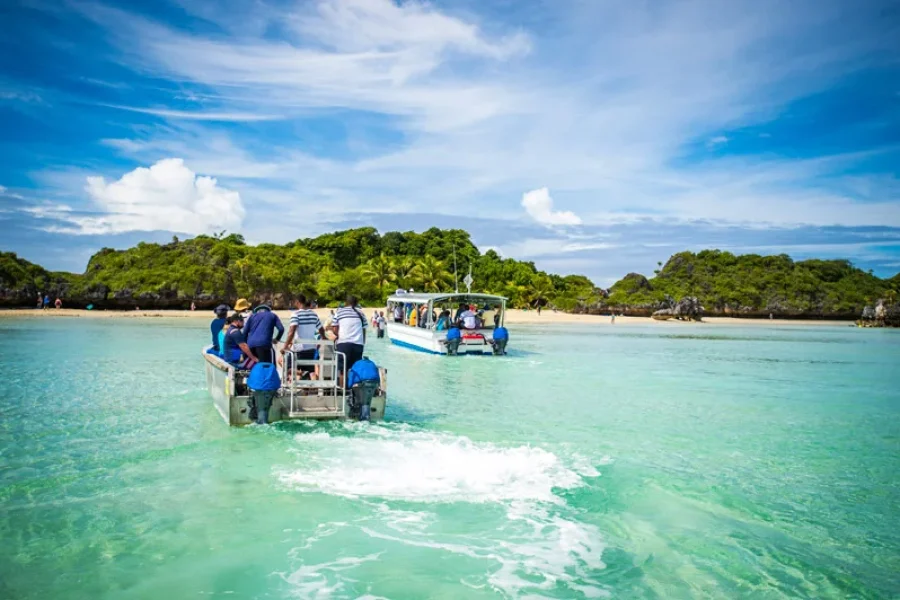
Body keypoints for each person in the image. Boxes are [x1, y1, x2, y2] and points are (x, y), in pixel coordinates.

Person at [281, 294, 326, 380]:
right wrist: (324, 338)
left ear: (297, 302)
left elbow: (291, 331)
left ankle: (301, 373)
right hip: (311, 348)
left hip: (299, 349)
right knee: (311, 371)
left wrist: (285, 346)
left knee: (287, 366)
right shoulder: (314, 314)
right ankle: (314, 389)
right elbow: (321, 329)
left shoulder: (295, 314)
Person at [331, 294, 367, 380]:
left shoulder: (339, 312)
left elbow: (334, 328)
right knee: (355, 369)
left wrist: (339, 336)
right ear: (356, 303)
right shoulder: (361, 313)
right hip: (358, 344)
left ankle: (343, 390)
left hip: (343, 344)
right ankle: (353, 390)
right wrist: (363, 342)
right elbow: (364, 330)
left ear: (346, 302)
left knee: (342, 370)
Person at [346, 356, 380, 421]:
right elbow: (377, 377)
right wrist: (377, 388)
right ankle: (365, 416)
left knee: (360, 401)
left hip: (362, 385)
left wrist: (349, 386)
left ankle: (356, 413)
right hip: (373, 384)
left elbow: (352, 375)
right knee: (366, 403)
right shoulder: (372, 364)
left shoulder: (357, 364)